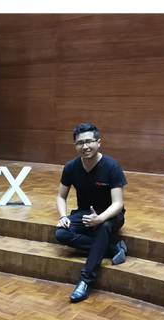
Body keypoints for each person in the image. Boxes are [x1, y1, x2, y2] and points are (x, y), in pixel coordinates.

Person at [55, 124, 128, 303]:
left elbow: (118, 203)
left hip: (110, 215)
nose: (85, 147)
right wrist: (63, 216)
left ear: (98, 142)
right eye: (80, 143)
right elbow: (60, 197)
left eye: (89, 141)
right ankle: (113, 249)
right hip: (86, 213)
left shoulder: (111, 166)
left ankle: (85, 281)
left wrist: (101, 218)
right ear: (75, 145)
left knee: (103, 227)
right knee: (61, 233)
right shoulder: (71, 167)